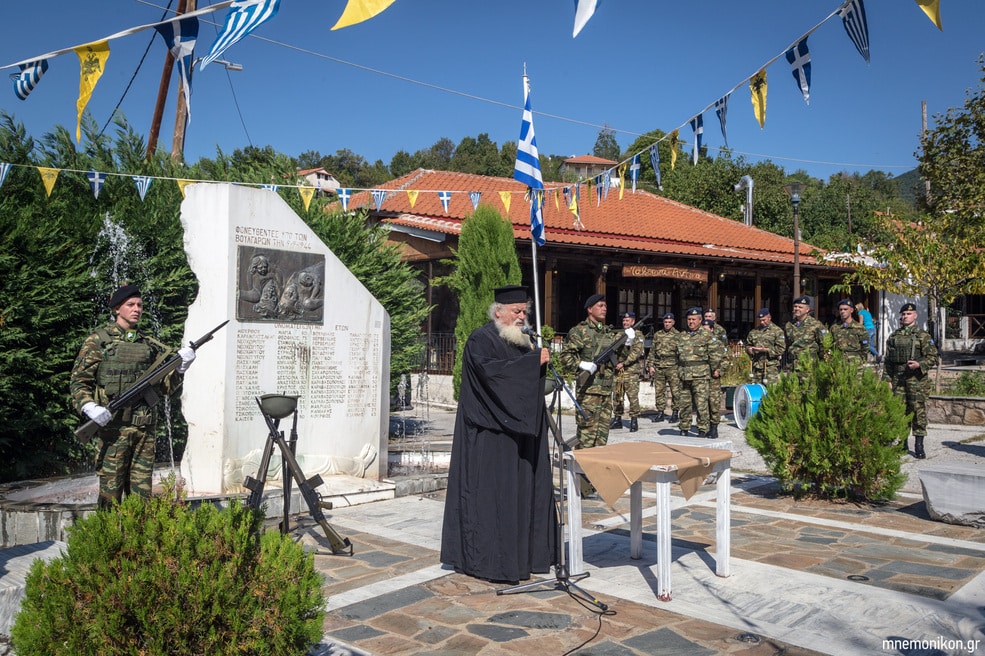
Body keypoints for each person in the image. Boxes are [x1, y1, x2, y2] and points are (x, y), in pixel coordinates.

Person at [440, 285, 556, 583]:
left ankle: (526, 556)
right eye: (516, 312)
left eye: (524, 312)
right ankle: (491, 563)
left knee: (522, 494)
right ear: (498, 312)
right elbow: (493, 376)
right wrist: (532, 363)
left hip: (519, 431)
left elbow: (526, 380)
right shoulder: (481, 339)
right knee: (495, 498)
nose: (522, 317)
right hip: (490, 435)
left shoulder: (522, 341)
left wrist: (537, 362)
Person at [70, 284, 196, 510]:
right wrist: (89, 407)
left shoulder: (148, 345)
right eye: (130, 305)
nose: (136, 309)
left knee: (142, 500)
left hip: (143, 432)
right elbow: (79, 382)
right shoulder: (98, 341)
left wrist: (180, 369)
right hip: (113, 432)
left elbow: (165, 388)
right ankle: (107, 543)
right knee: (110, 497)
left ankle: (137, 543)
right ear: (117, 308)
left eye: (139, 305)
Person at [560, 293, 626, 451]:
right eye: (600, 306)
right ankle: (581, 473)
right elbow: (565, 357)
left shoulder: (608, 333)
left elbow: (620, 358)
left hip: (605, 392)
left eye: (605, 306)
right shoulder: (579, 331)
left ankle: (595, 474)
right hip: (588, 393)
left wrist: (627, 342)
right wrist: (581, 364)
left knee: (602, 439)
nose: (604, 309)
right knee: (586, 437)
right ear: (590, 309)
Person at [882, 302, 939, 459]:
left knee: (917, 410)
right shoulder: (894, 336)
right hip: (898, 378)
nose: (905, 317)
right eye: (903, 314)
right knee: (900, 410)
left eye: (908, 314)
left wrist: (919, 364)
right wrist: (886, 379)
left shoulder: (923, 336)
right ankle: (902, 442)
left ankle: (919, 445)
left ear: (915, 315)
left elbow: (933, 357)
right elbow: (888, 361)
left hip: (916, 379)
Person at [675, 307, 723, 437]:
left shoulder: (707, 336)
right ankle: (684, 427)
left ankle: (703, 429)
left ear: (700, 320)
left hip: (701, 375)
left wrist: (714, 370)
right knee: (684, 404)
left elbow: (715, 356)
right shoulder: (682, 336)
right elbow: (676, 356)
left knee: (701, 404)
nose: (691, 322)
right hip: (684, 375)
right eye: (689, 319)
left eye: (693, 319)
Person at [610, 311, 645, 432]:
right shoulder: (619, 334)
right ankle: (617, 419)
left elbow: (636, 353)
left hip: (631, 370)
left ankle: (634, 420)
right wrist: (615, 363)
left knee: (632, 396)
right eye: (624, 320)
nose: (625, 322)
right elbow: (612, 348)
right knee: (618, 395)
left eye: (628, 320)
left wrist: (623, 363)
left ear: (633, 322)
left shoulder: (638, 335)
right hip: (618, 369)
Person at [647, 313, 681, 423]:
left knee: (675, 391)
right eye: (665, 322)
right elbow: (652, 351)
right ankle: (660, 412)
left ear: (673, 323)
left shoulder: (678, 335)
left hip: (673, 366)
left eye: (669, 322)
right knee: (659, 391)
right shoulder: (658, 335)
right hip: (659, 365)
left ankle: (675, 412)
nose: (667, 324)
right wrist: (650, 365)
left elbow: (681, 353)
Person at [702, 309, 730, 433]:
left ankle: (714, 427)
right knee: (702, 402)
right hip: (701, 376)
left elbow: (725, 358)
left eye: (707, 329)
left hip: (713, 376)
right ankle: (703, 426)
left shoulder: (718, 343)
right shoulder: (698, 342)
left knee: (713, 402)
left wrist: (720, 371)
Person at [784, 295, 826, 371]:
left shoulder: (816, 325)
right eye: (795, 307)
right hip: (792, 366)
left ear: (807, 310)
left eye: (800, 307)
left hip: (809, 366)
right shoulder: (789, 325)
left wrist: (822, 364)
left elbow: (823, 345)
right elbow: (787, 344)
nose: (797, 309)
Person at [745, 308, 785, 385]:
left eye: (764, 320)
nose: (762, 322)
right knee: (756, 391)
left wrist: (765, 350)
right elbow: (748, 345)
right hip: (757, 366)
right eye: (760, 320)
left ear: (769, 318)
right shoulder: (754, 332)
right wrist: (750, 350)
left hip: (770, 367)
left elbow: (781, 349)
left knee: (770, 391)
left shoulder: (777, 331)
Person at [830, 299, 870, 363]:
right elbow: (830, 345)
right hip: (839, 363)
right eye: (841, 309)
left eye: (845, 309)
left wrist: (861, 359)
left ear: (851, 310)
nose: (843, 311)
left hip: (855, 363)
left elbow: (865, 346)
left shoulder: (859, 328)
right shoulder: (834, 328)